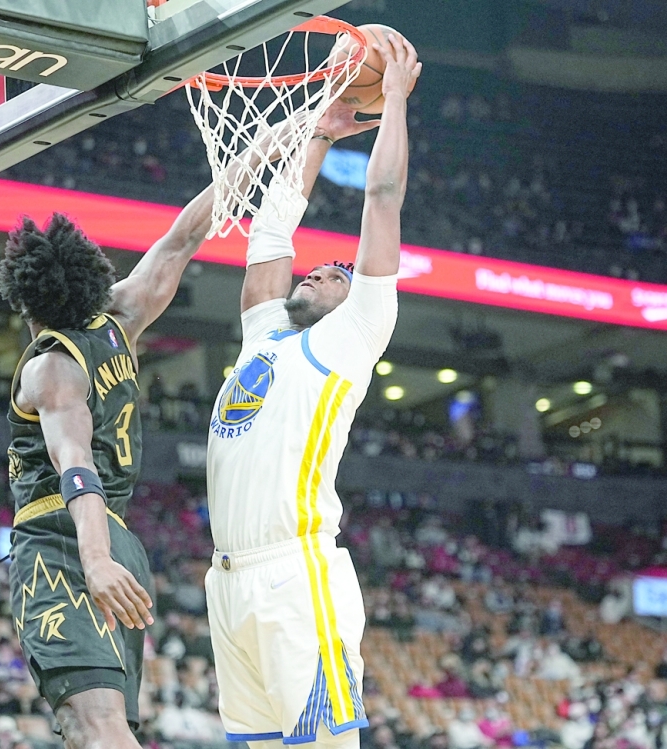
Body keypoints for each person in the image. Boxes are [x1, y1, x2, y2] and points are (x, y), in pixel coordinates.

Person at [205, 35, 420, 747]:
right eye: (319, 266)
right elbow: (270, 232)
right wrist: (319, 138)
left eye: (338, 270)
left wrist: (391, 101)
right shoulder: (265, 335)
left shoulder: (354, 333)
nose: (321, 267)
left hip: (297, 574)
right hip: (228, 580)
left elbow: (383, 199)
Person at [0, 134, 222, 749]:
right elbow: (182, 238)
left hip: (65, 542)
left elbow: (77, 468)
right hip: (122, 543)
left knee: (92, 728)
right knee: (104, 730)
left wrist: (93, 561)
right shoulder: (120, 318)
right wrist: (276, 147)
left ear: (25, 296)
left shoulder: (50, 367)